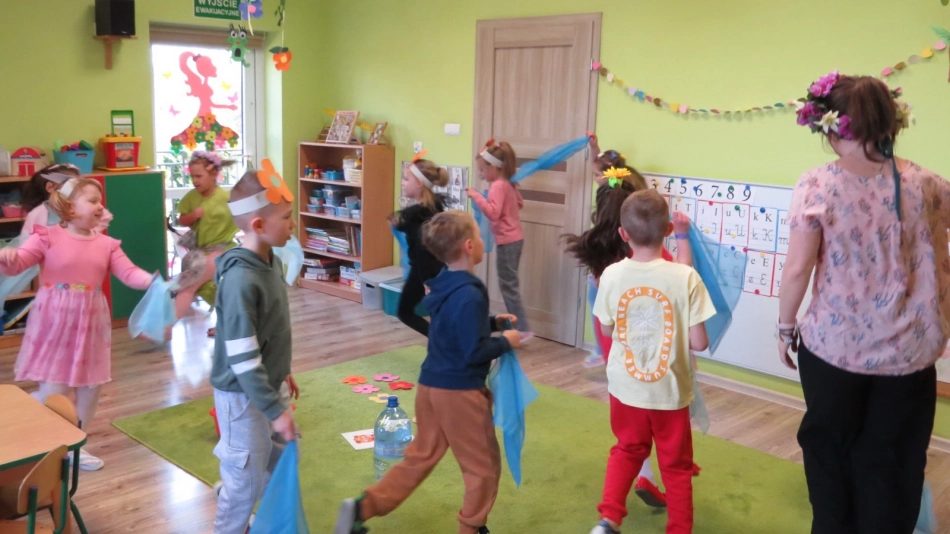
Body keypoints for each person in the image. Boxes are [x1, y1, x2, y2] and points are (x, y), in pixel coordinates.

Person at [779, 72, 947, 533]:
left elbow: (798, 269)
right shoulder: (928, 183)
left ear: (831, 127)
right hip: (910, 354)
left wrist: (784, 326)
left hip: (835, 348)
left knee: (830, 453)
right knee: (895, 459)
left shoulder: (817, 185)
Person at [334, 210, 521, 534]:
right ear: (469, 246)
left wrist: (491, 323)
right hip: (460, 394)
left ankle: (364, 507)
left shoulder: (442, 285)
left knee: (420, 457)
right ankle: (471, 527)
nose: (482, 240)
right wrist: (506, 342)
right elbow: (472, 351)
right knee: (483, 467)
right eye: (478, 235)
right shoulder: (471, 291)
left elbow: (452, 328)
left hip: (429, 387)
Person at [0, 177, 153, 471]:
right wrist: (8, 257)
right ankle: (43, 432)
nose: (100, 206)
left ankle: (76, 445)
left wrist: (152, 281)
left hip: (91, 322)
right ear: (69, 207)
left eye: (100, 201)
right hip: (54, 322)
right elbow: (19, 263)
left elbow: (129, 272)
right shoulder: (46, 237)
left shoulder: (107, 244)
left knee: (90, 388)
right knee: (54, 388)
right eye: (92, 200)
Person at [565, 169, 696, 510]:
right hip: (654, 350)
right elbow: (685, 274)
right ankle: (654, 477)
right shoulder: (658, 263)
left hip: (618, 347)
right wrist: (683, 237)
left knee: (633, 419)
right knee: (660, 415)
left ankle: (645, 475)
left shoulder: (604, 261)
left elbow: (604, 316)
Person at [590, 189, 714, 534]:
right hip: (669, 391)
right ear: (669, 230)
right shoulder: (685, 276)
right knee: (676, 465)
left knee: (627, 449)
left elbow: (606, 328)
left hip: (625, 388)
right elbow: (700, 342)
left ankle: (609, 518)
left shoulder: (611, 275)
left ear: (623, 233)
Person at [209, 166, 299, 534]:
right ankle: (231, 516)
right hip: (241, 394)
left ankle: (233, 490)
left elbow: (270, 330)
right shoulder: (241, 280)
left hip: (266, 382)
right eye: (287, 217)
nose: (294, 224)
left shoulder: (269, 260)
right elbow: (243, 357)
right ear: (259, 225)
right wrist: (275, 411)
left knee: (275, 462)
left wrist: (283, 368)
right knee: (245, 477)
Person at [466, 139, 533, 342]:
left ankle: (522, 328)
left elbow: (493, 214)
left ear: (493, 168)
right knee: (509, 284)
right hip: (515, 239)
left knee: (508, 286)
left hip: (507, 241)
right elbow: (519, 203)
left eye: (482, 169)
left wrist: (477, 196)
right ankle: (518, 326)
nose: (481, 174)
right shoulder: (509, 184)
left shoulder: (498, 186)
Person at [173, 151, 240, 338]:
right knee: (211, 289)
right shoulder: (191, 197)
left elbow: (243, 217)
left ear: (214, 174)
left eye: (199, 176)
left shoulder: (227, 198)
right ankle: (225, 325)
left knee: (189, 286)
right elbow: (182, 220)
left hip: (223, 249)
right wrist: (193, 216)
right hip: (201, 251)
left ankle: (167, 327)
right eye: (192, 176)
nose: (195, 181)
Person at [392, 155, 449, 336]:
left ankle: (441, 343)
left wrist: (426, 282)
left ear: (419, 183)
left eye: (406, 179)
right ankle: (442, 343)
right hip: (435, 270)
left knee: (405, 311)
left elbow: (423, 251)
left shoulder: (417, 216)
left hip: (425, 272)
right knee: (437, 315)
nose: (403, 183)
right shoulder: (433, 208)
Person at [170, 52, 240, 153]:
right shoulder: (203, 85)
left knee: (211, 135)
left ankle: (211, 154)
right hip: (204, 117)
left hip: (207, 116)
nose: (214, 67)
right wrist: (228, 106)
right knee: (204, 134)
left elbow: (211, 104)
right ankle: (208, 153)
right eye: (211, 65)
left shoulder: (204, 84)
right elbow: (211, 104)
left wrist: (228, 107)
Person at [21, 164, 113, 236]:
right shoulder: (37, 214)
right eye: (71, 185)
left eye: (78, 185)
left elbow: (99, 223)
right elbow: (27, 241)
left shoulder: (80, 208)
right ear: (50, 187)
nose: (76, 189)